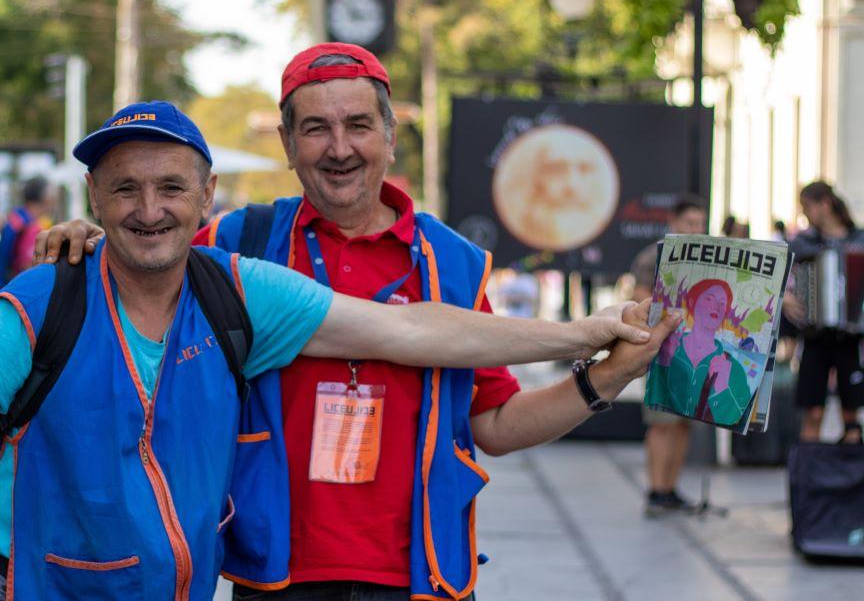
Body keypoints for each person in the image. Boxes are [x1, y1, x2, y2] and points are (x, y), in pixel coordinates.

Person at [0, 101, 672, 601]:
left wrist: (582, 334)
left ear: (208, 199)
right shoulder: (44, 298)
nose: (149, 209)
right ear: (93, 202)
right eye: (125, 189)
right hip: (23, 583)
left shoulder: (239, 290)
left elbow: (414, 329)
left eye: (172, 187)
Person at [35, 45, 676, 600]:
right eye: (316, 128)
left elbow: (497, 424)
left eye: (358, 125)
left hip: (423, 576)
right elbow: (148, 244)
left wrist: (607, 378)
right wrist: (92, 239)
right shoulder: (237, 243)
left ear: (390, 136)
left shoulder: (451, 263)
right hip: (273, 575)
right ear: (287, 144)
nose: (339, 148)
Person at [630, 194, 707, 516]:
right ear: (673, 222)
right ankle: (656, 490)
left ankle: (670, 489)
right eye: (690, 223)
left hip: (695, 351)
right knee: (661, 422)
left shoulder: (706, 260)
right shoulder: (654, 256)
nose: (696, 229)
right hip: (663, 349)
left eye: (700, 224)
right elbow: (639, 295)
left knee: (683, 422)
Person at [788, 181, 864, 443]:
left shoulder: (858, 239)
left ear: (825, 204)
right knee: (813, 412)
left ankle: (850, 466)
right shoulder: (802, 243)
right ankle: (810, 468)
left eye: (807, 206)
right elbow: (776, 275)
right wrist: (786, 300)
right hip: (815, 336)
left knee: (851, 415)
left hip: (850, 338)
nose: (805, 213)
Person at [647, 279, 752, 426]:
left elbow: (739, 421)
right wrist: (663, 365)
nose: (716, 307)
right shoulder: (666, 350)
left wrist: (722, 388)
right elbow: (656, 407)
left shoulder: (733, 369)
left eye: (722, 303)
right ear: (692, 302)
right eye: (709, 299)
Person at [0, 176, 53, 297]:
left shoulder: (16, 217)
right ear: (45, 199)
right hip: (5, 292)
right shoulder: (30, 227)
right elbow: (27, 267)